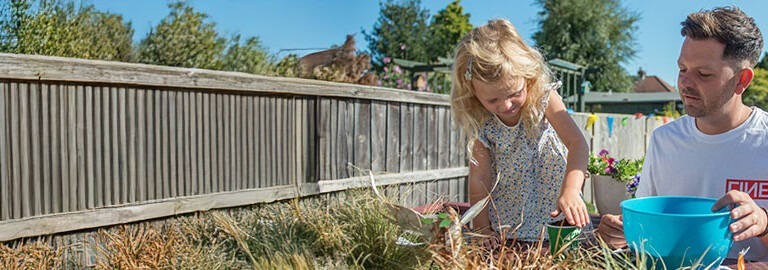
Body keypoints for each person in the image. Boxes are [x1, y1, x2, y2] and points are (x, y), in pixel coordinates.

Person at [598, 6, 768, 261]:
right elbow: (644, 235)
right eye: (682, 69)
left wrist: (764, 224)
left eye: (704, 74)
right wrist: (618, 235)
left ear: (742, 80)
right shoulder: (664, 140)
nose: (685, 83)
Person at [450, 18, 591, 245]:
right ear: (473, 92)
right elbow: (480, 178)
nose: (506, 105)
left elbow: (578, 144)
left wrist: (572, 190)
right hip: (510, 224)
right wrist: (483, 230)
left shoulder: (543, 98)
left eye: (514, 93)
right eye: (493, 99)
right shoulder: (481, 120)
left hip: (556, 215)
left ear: (528, 77)